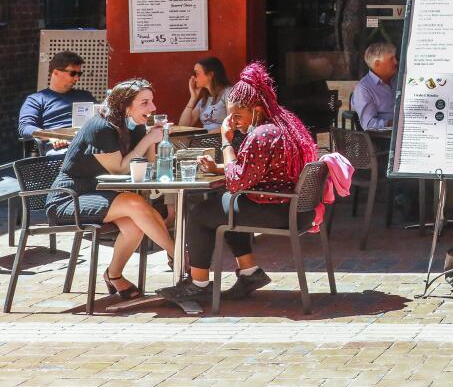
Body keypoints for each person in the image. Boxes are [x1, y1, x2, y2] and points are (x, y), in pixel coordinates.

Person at [160, 63, 319, 303]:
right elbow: (253, 170)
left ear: (256, 110)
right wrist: (219, 168)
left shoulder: (261, 134)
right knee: (223, 206)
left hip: (277, 210)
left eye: (237, 116)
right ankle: (250, 273)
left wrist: (225, 142)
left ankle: (198, 283)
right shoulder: (282, 125)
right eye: (230, 116)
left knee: (202, 213)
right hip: (293, 208)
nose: (232, 121)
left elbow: (236, 183)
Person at [43, 79, 175, 299]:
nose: (152, 108)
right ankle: (179, 259)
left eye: (152, 102)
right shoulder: (100, 127)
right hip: (69, 198)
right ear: (125, 105)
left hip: (101, 194)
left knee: (135, 224)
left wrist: (153, 137)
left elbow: (149, 165)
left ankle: (114, 275)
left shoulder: (133, 125)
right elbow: (119, 170)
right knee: (135, 203)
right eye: (145, 102)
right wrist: (147, 139)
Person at [17, 51, 97, 145]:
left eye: (79, 74)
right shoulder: (36, 100)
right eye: (73, 73)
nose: (77, 78)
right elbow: (25, 127)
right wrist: (53, 137)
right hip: (59, 148)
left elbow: (102, 120)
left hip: (88, 143)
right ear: (56, 72)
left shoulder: (85, 96)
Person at [350, 41, 399, 130]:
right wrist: (396, 123)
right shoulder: (364, 88)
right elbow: (369, 124)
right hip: (382, 139)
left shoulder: (398, 80)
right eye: (391, 59)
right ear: (377, 64)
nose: (396, 62)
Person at [179, 57, 232, 133]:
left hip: (222, 140)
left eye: (196, 73)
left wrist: (205, 136)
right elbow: (183, 126)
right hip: (205, 140)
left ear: (210, 74)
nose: (193, 77)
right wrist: (193, 98)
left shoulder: (228, 93)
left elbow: (230, 125)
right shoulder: (205, 99)